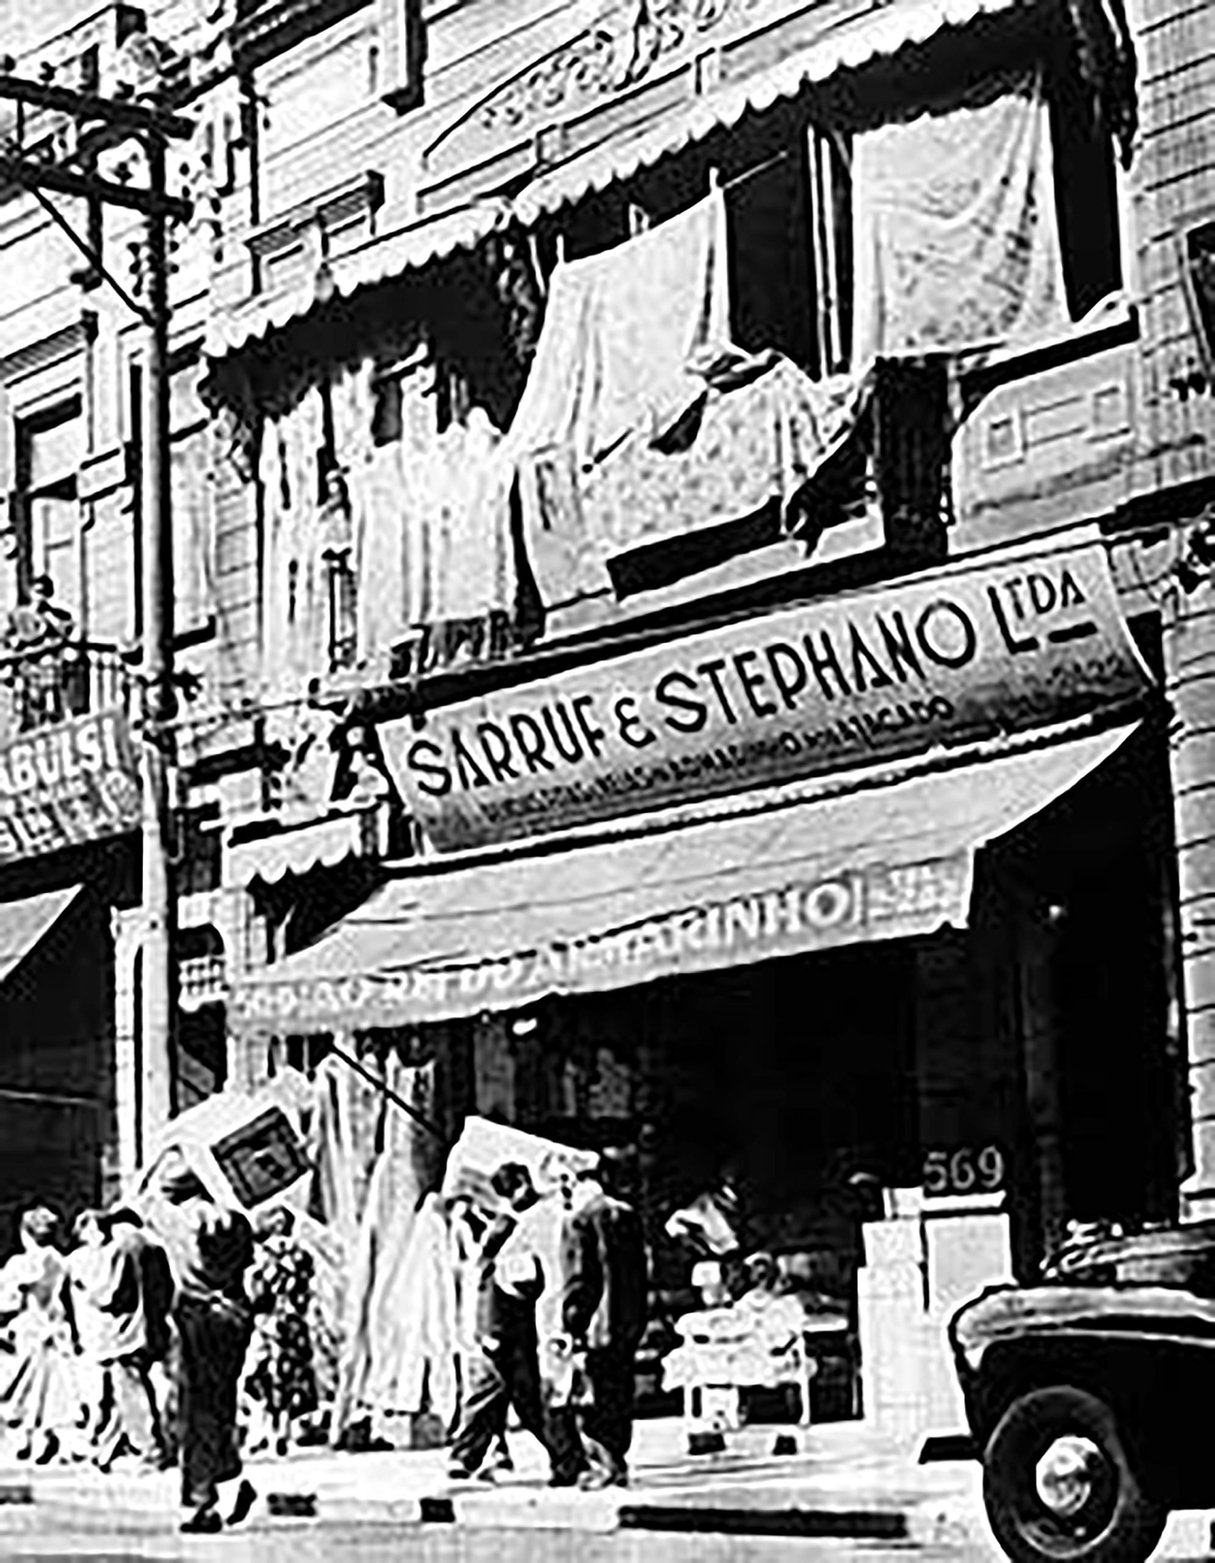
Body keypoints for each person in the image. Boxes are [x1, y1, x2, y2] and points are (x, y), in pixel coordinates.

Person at [147, 1156, 257, 1534]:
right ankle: (231, 1479)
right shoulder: (235, 1220)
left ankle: (201, 1502)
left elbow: (149, 1200)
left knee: (198, 1409)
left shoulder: (174, 1220)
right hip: (235, 1313)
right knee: (219, 1402)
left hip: (197, 1316)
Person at [446, 1163, 558, 1483]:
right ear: (518, 1186)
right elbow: (487, 1280)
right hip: (503, 1327)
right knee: (502, 1395)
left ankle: (468, 1457)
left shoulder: (517, 1221)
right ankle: (465, 1457)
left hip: (512, 1326)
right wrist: (489, 1329)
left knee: (518, 1397)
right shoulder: (507, 1226)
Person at [553, 1151, 648, 1490]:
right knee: (620, 1391)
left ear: (572, 1183)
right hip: (628, 1320)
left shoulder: (577, 1221)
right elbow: (640, 1273)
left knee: (595, 1394)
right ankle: (619, 1461)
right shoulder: (626, 1213)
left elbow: (580, 1281)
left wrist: (571, 1325)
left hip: (596, 1325)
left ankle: (606, 1464)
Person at [67, 1208, 169, 1474]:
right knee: (122, 1393)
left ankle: (151, 1451)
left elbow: (109, 1294)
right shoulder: (154, 1245)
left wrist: (86, 1289)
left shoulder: (120, 1248)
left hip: (124, 1332)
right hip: (150, 1328)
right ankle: (106, 1450)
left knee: (132, 1393)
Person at [241, 1207, 318, 1456]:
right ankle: (283, 1431)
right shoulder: (303, 1255)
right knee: (288, 1377)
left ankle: (261, 1431)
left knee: (258, 1376)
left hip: (267, 1322)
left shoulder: (260, 1257)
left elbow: (254, 1293)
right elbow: (307, 1290)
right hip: (295, 1322)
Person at [4, 575, 75, 730]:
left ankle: (50, 724)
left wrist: (47, 616)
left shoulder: (56, 615)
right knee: (25, 703)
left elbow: (65, 631)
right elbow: (8, 637)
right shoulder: (19, 615)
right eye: (37, 592)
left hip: (47, 664)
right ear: (31, 592)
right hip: (27, 664)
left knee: (51, 701)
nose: (40, 596)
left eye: (44, 593)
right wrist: (13, 643)